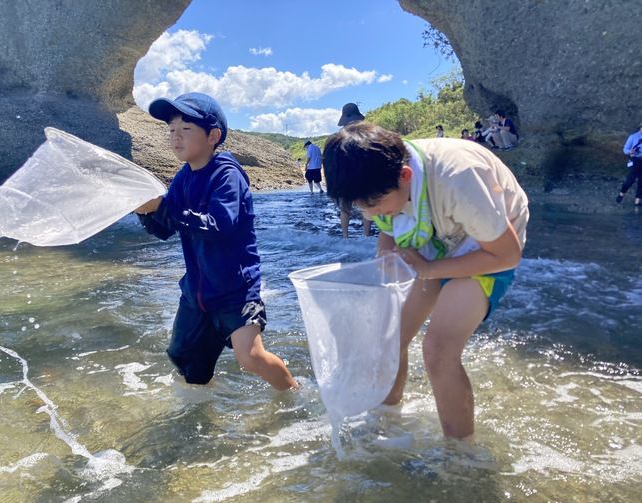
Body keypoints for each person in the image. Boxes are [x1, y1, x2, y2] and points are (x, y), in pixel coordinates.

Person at [322, 123, 529, 440]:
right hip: (436, 234)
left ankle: (461, 456)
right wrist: (386, 255)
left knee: (438, 350)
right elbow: (388, 224)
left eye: (374, 207)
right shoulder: (379, 172)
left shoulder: (459, 179)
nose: (370, 215)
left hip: (486, 243)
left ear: (405, 176)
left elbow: (507, 254)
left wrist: (430, 270)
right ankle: (386, 423)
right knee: (389, 339)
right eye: (362, 208)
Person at [134, 92, 298, 391]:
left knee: (250, 358)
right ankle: (204, 415)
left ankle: (294, 393)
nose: (175, 137)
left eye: (185, 129)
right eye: (171, 130)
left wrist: (163, 207)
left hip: (236, 290)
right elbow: (164, 229)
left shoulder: (226, 174)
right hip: (197, 293)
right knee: (185, 361)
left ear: (213, 135)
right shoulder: (183, 178)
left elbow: (219, 225)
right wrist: (145, 211)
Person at [337, 103, 372, 238]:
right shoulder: (366, 132)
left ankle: (345, 236)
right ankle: (366, 235)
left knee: (345, 207)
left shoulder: (340, 135)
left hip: (345, 175)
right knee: (366, 205)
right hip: (363, 173)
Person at [616, 122, 642, 206]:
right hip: (635, 160)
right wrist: (630, 151)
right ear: (640, 127)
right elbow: (625, 149)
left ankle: (637, 201)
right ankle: (621, 194)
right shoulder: (633, 137)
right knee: (630, 180)